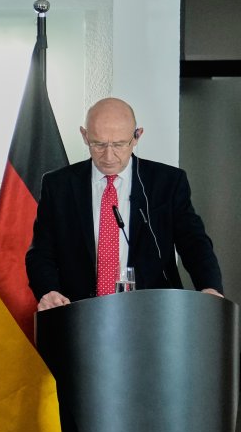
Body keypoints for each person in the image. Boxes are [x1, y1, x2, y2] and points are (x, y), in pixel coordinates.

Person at [29, 97, 223, 311]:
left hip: (153, 313)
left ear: (137, 136)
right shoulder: (58, 185)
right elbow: (41, 252)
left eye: (119, 144)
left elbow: (194, 242)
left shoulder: (167, 182)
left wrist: (209, 287)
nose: (109, 156)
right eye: (99, 144)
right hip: (78, 314)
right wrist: (48, 291)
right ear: (85, 136)